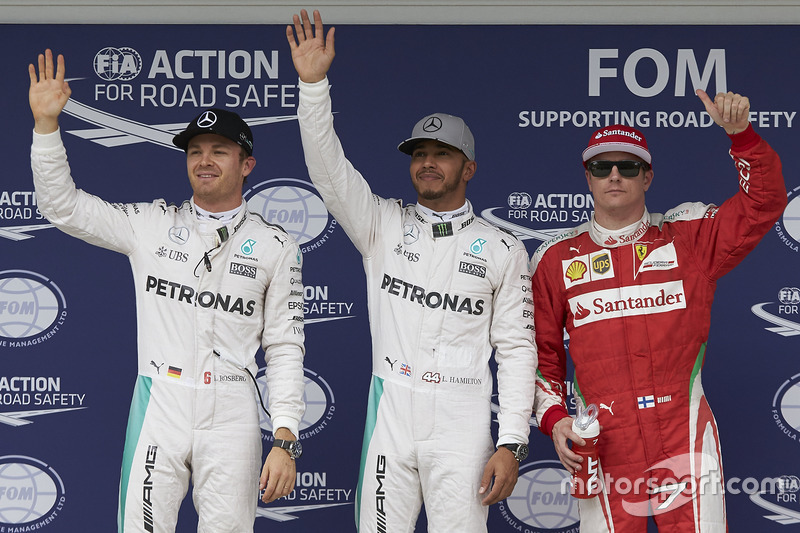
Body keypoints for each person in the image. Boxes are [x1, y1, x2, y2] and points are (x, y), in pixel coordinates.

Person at [28, 49, 306, 533]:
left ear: (247, 164)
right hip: (161, 399)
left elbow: (284, 348)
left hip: (234, 409)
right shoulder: (151, 224)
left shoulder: (276, 246)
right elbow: (63, 207)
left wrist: (284, 439)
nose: (204, 161)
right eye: (195, 151)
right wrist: (47, 127)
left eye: (219, 150)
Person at [286, 10, 537, 533]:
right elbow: (328, 171)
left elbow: (516, 350)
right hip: (392, 411)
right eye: (420, 153)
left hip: (462, 416)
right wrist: (313, 87)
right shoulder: (380, 223)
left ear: (468, 168)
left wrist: (512, 441)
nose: (428, 163)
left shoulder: (502, 249)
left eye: (442, 155)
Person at [532, 92, 786, 531]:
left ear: (647, 177)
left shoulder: (687, 238)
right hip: (604, 439)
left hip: (682, 431)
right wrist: (555, 420)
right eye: (601, 167)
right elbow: (541, 355)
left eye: (628, 166)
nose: (615, 176)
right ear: (587, 177)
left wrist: (741, 136)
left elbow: (763, 204)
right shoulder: (555, 259)